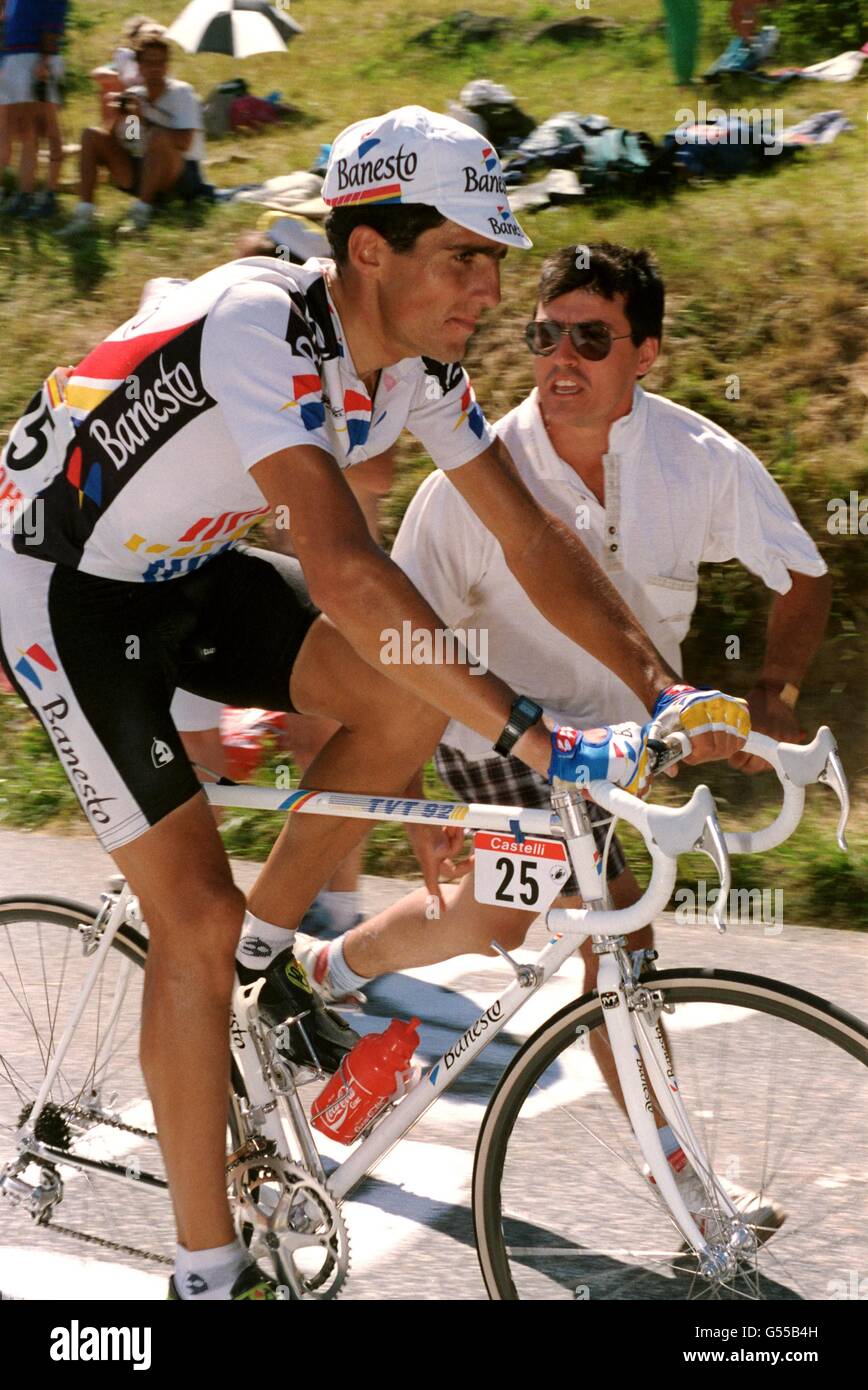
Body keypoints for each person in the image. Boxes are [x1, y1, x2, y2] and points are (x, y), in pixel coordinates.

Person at [0, 105, 749, 1300]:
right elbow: (347, 570)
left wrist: (664, 687)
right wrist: (535, 734)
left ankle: (266, 959)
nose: (490, 289)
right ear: (369, 252)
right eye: (465, 255)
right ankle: (209, 1272)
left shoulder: (417, 367)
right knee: (185, 923)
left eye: (495, 259)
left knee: (407, 701)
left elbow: (532, 535)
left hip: (185, 571)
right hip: (62, 589)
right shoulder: (263, 322)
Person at [293, 238, 830, 1230]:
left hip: (605, 753)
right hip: (486, 723)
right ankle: (692, 1197)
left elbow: (801, 574)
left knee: (501, 917)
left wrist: (777, 693)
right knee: (616, 926)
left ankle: (325, 968)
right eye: (545, 335)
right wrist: (410, 795)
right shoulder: (473, 477)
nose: (560, 359)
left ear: (647, 352)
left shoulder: (698, 461)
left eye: (592, 337)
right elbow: (397, 644)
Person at [59, 29, 207, 239]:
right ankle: (84, 215)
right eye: (149, 63)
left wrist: (145, 120)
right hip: (145, 168)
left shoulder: (182, 92)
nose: (155, 69)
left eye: (160, 63)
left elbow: (185, 142)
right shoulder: (135, 96)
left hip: (183, 175)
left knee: (159, 135)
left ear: (167, 65)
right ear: (140, 66)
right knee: (91, 135)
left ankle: (140, 215)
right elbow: (132, 143)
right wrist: (125, 118)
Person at [0, 0, 66, 219]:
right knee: (29, 130)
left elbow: (53, 18)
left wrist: (45, 60)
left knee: (48, 126)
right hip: (17, 57)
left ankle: (50, 194)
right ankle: (24, 192)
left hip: (37, 58)